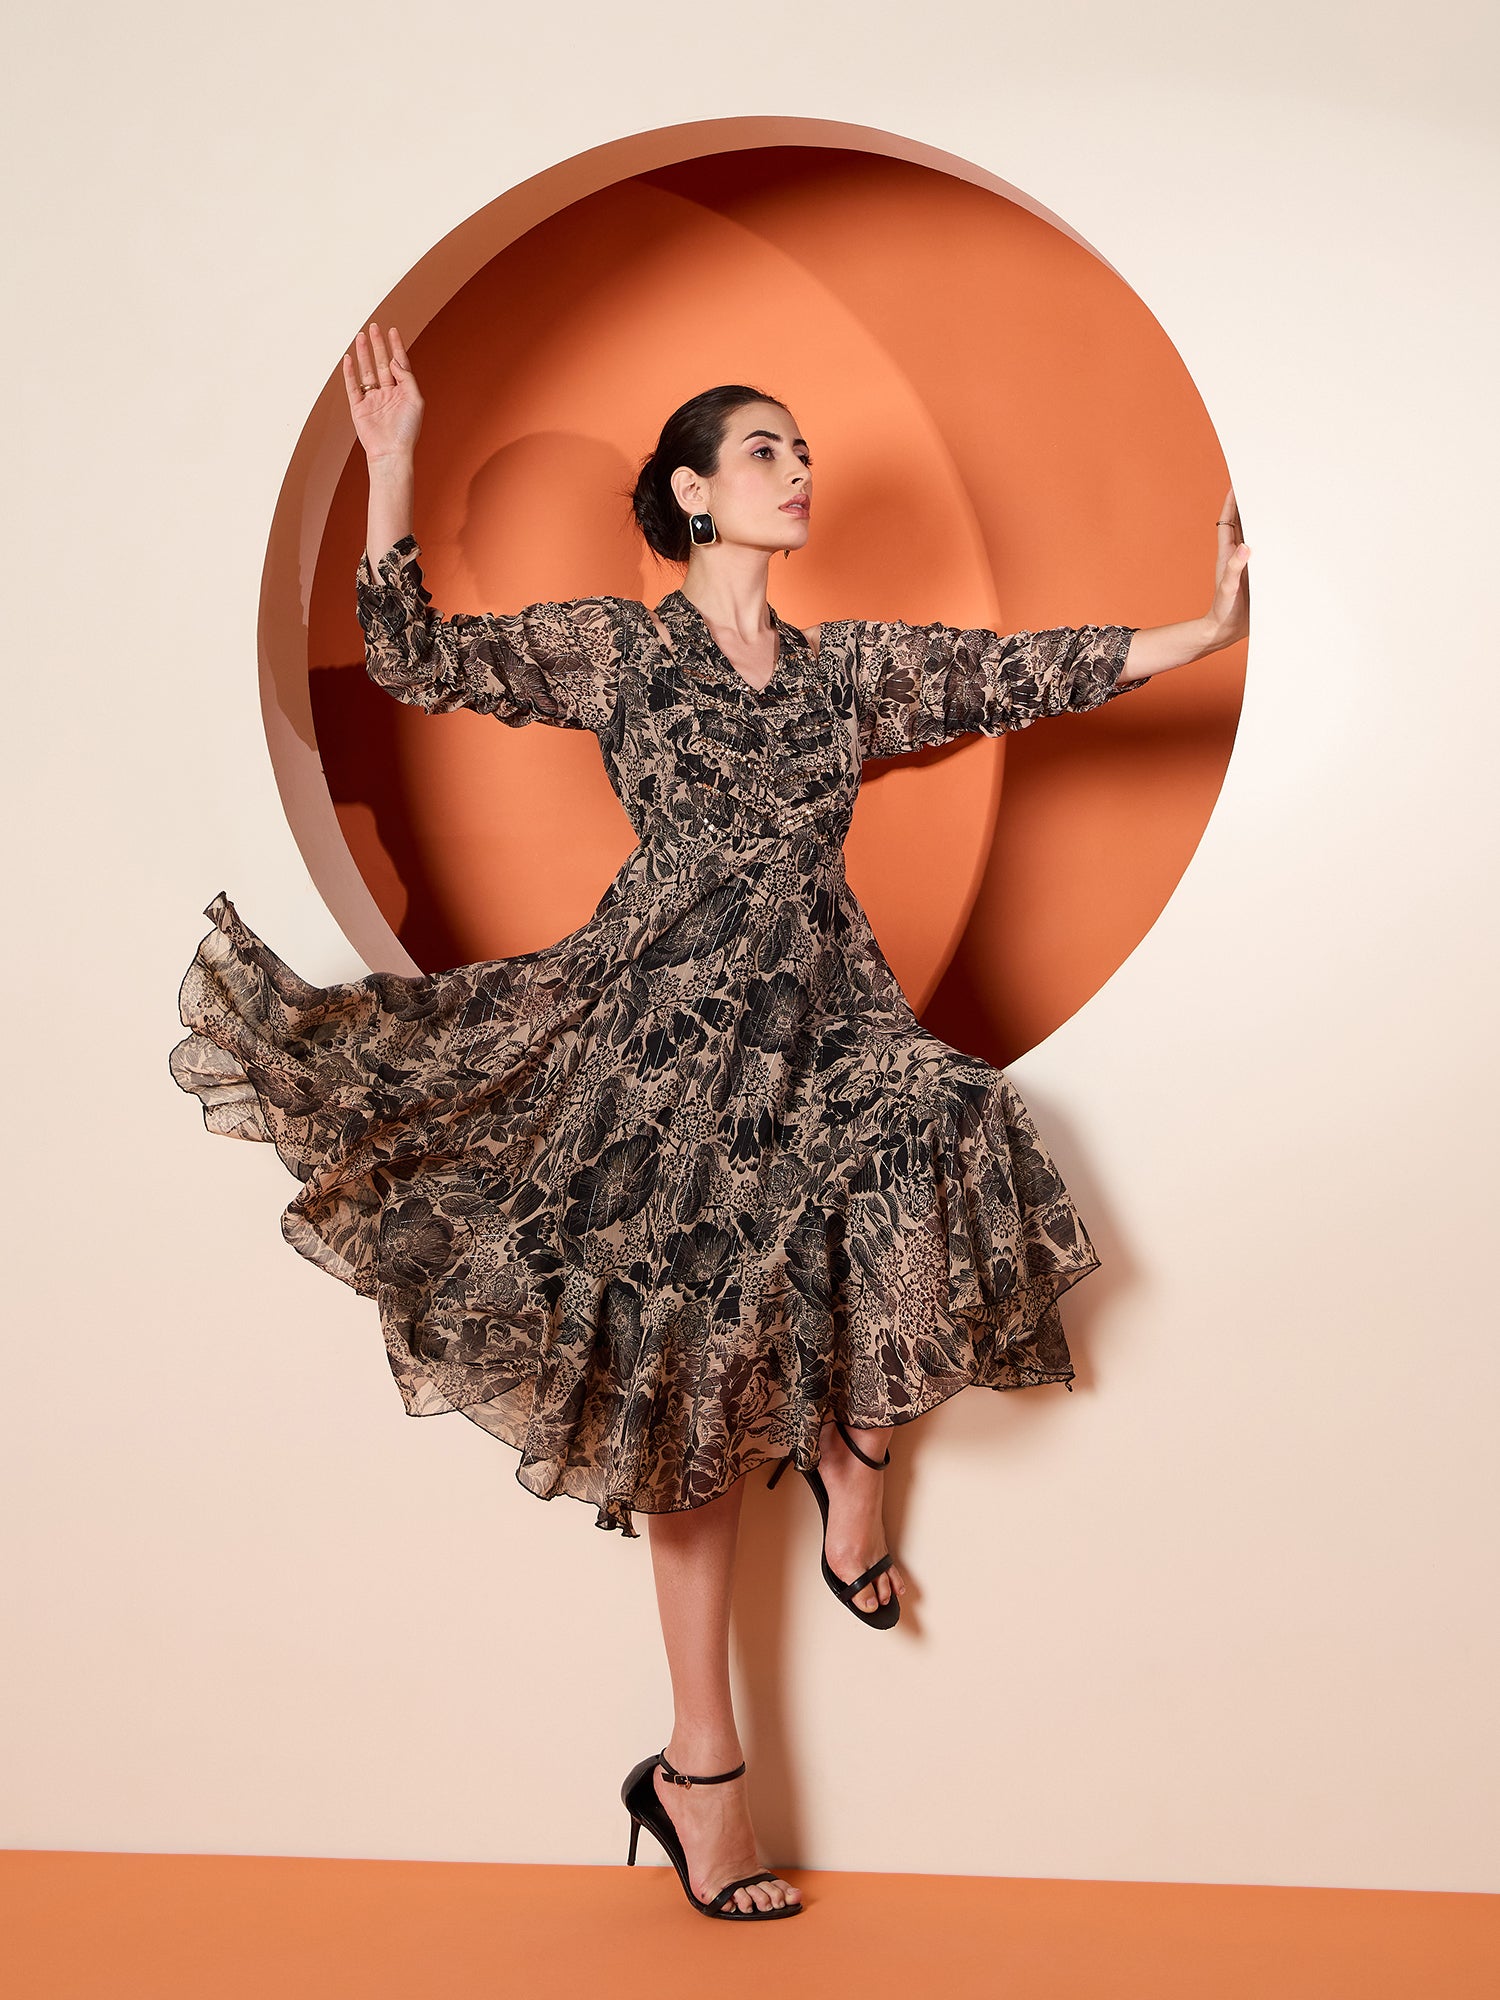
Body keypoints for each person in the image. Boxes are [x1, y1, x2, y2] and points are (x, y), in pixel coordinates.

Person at [169, 317, 1250, 1921]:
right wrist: (390, 463)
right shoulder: (622, 651)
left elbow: (1017, 670)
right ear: (691, 493)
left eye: (803, 452)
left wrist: (1210, 624)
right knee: (679, 1398)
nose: (798, 472)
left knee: (954, 1120)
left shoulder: (842, 671)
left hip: (825, 1021)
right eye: (765, 451)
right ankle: (701, 1777)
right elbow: (411, 657)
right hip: (662, 1046)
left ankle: (853, 1454)